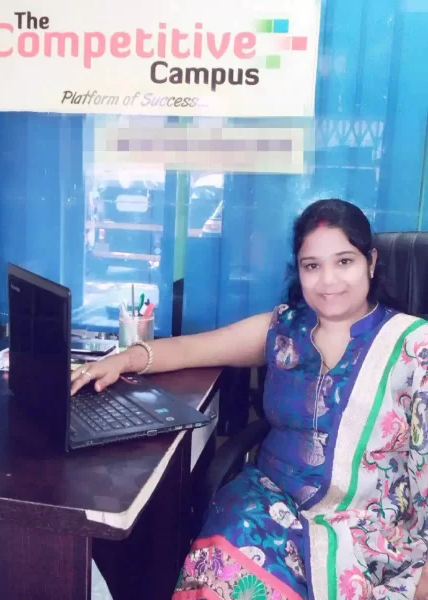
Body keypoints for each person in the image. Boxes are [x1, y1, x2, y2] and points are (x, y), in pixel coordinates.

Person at [73, 199, 428, 599]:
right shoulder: (285, 328)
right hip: (272, 504)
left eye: (344, 262)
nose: (328, 281)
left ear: (371, 262)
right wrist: (122, 360)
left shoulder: (414, 346)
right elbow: (192, 349)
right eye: (312, 266)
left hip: (367, 527)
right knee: (228, 572)